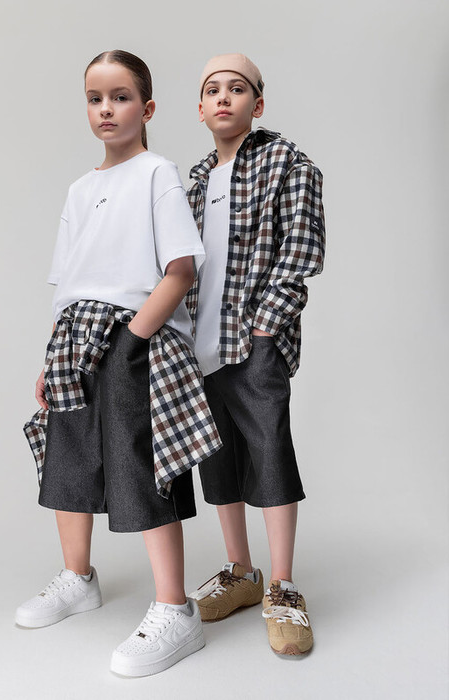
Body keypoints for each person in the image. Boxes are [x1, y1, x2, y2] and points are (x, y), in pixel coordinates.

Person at [17, 49, 222, 677]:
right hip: (75, 335)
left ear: (147, 108)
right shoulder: (80, 190)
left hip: (136, 333)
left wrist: (134, 338)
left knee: (144, 463)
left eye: (121, 97)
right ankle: (78, 577)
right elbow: (70, 282)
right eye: (95, 98)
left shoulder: (158, 174)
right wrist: (53, 354)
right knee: (71, 452)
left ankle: (175, 609)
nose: (106, 109)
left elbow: (180, 270)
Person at [186, 54, 325, 656]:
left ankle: (284, 586)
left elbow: (302, 251)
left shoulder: (286, 162)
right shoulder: (193, 181)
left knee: (269, 452)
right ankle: (241, 572)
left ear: (257, 104)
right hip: (199, 345)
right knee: (218, 459)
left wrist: (265, 327)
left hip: (254, 342)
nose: (224, 97)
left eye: (237, 88)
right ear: (200, 109)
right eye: (212, 90)